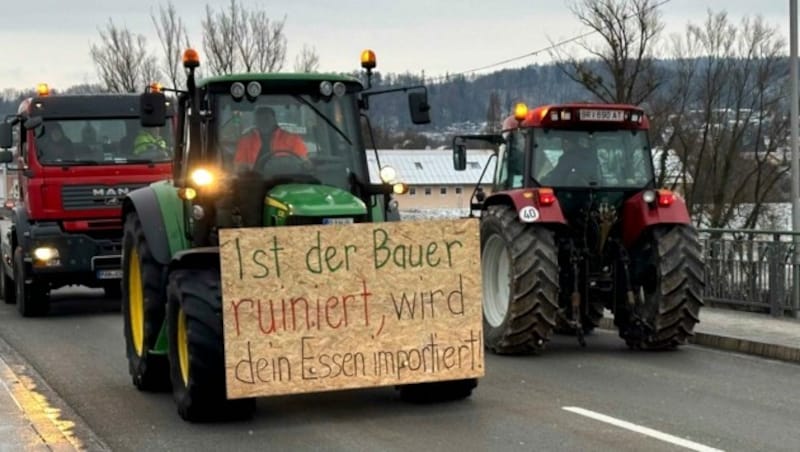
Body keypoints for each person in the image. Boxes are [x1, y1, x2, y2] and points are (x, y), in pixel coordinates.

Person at [234, 106, 308, 171]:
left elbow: (304, 164)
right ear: (256, 122)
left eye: (266, 119)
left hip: (286, 181)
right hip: (255, 182)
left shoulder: (293, 139)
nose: (263, 122)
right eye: (259, 119)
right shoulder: (245, 141)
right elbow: (239, 168)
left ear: (274, 120)